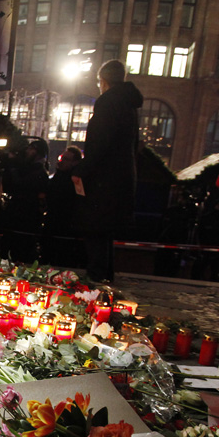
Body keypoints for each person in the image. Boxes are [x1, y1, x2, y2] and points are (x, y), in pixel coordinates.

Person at [71, 59, 143, 283]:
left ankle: (96, 276)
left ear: (103, 81)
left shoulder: (108, 103)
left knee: (95, 227)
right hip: (120, 178)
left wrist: (82, 168)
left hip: (104, 179)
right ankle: (104, 275)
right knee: (106, 230)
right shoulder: (128, 105)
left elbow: (100, 142)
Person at [0, 137, 49, 264]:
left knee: (22, 249)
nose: (27, 151)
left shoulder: (39, 172)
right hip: (17, 214)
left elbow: (20, 185)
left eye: (31, 149)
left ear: (37, 152)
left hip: (26, 217)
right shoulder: (28, 168)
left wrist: (13, 168)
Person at [41, 145, 82, 266]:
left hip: (67, 223)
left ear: (74, 162)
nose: (62, 162)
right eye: (62, 158)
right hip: (53, 219)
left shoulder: (76, 179)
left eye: (66, 159)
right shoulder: (58, 176)